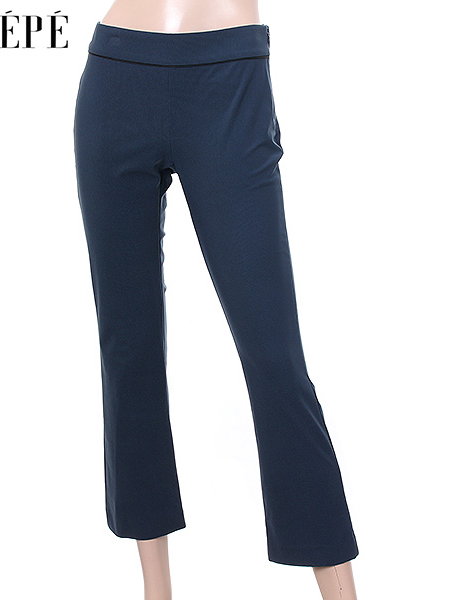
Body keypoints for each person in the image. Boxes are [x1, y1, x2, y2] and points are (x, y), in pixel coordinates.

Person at [73, 1, 360, 598]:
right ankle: (156, 591)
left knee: (275, 360)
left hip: (227, 79)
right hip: (116, 74)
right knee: (128, 353)